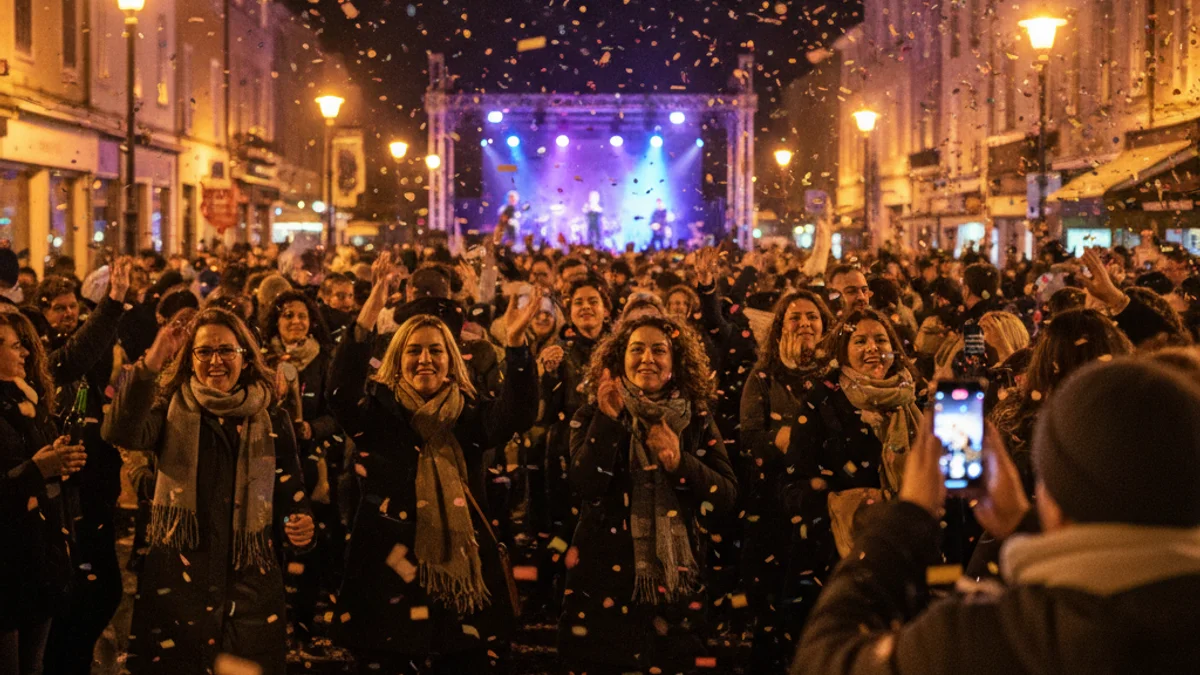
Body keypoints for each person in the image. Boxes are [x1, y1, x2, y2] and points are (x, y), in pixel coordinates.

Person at [794, 357, 1200, 674]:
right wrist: (1024, 526)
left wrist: (909, 516)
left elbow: (823, 659)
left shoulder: (985, 640)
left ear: (1054, 495)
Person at [328, 253, 541, 674]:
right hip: (387, 573)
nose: (425, 359)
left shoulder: (471, 415)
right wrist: (365, 320)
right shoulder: (378, 415)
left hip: (459, 577)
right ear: (397, 359)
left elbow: (517, 414)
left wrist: (516, 352)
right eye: (414, 351)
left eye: (435, 351)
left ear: (451, 359)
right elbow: (338, 392)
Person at [101, 308, 315, 675]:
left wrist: (301, 526)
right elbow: (118, 431)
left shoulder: (270, 416)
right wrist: (150, 364)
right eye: (204, 352)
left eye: (226, 350)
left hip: (249, 586)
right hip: (179, 583)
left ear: (244, 356)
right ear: (190, 358)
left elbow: (290, 491)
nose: (216, 361)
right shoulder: (169, 408)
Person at [558, 314, 738, 674]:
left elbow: (726, 496)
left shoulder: (696, 417)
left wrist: (680, 464)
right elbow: (583, 485)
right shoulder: (594, 410)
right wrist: (607, 424)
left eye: (659, 350)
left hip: (676, 585)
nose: (647, 359)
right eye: (636, 349)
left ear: (675, 361)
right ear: (620, 358)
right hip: (604, 579)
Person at [779, 308, 923, 587]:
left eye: (881, 340)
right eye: (860, 341)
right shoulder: (822, 402)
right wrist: (849, 505)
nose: (872, 348)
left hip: (907, 551)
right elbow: (793, 486)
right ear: (844, 353)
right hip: (843, 559)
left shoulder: (914, 399)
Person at [39, 259, 134, 675]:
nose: (68, 314)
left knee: (103, 589)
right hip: (64, 499)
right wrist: (113, 303)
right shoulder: (44, 361)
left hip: (93, 491)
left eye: (72, 306)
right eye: (58, 308)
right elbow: (76, 355)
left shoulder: (84, 360)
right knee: (80, 593)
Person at [739, 289, 835, 674]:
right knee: (772, 598)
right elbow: (751, 437)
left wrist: (791, 432)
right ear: (781, 326)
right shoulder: (763, 377)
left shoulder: (835, 373)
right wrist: (784, 442)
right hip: (773, 506)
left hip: (821, 505)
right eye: (795, 317)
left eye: (812, 317)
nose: (805, 324)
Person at [0, 312, 85, 675]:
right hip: (4, 564)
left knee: (33, 665)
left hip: (36, 557)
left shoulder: (28, 399)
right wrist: (38, 469)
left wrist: (61, 461)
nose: (27, 354)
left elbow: (41, 467)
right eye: (17, 346)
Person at [261, 290, 343, 657]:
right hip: (266, 465)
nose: (296, 322)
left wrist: (314, 429)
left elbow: (336, 411)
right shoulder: (262, 359)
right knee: (269, 553)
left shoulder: (324, 360)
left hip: (313, 466)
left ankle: (306, 632)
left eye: (302, 316)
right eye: (288, 316)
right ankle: (271, 629)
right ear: (275, 322)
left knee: (309, 548)